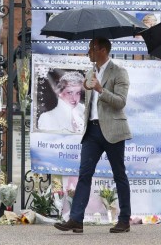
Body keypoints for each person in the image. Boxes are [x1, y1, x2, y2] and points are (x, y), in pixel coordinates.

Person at [54, 37, 132, 234]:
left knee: (119, 174)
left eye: (92, 48)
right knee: (84, 174)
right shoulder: (89, 72)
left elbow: (120, 102)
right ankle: (76, 219)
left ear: (103, 50)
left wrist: (100, 89)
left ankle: (124, 220)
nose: (88, 51)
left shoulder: (119, 72)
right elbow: (89, 105)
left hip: (113, 130)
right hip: (92, 131)